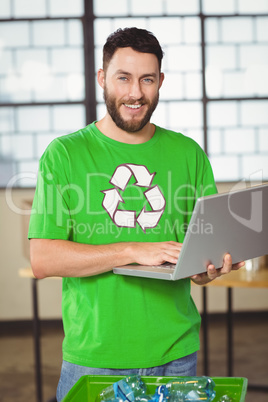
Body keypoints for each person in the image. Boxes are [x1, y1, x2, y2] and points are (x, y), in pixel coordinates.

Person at [28, 27, 244, 401]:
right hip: (96, 356)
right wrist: (132, 250)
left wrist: (208, 269)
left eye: (147, 79)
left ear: (160, 81)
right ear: (102, 79)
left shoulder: (188, 153)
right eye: (123, 78)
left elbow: (196, 262)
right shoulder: (64, 155)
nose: (135, 93)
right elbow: (43, 259)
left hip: (176, 352)